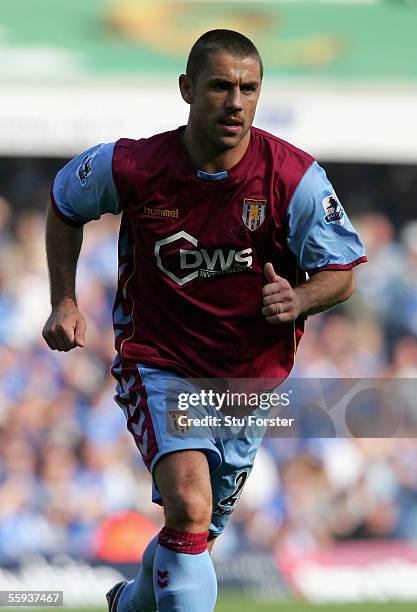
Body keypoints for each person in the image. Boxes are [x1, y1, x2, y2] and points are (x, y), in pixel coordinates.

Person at [42, 29, 366, 612]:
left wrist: (301, 299)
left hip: (249, 383)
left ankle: (126, 604)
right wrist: (63, 298)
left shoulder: (294, 179)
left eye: (248, 88)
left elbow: (341, 272)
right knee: (189, 507)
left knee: (195, 538)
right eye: (220, 86)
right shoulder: (133, 165)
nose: (235, 102)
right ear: (187, 89)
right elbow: (65, 201)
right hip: (160, 365)